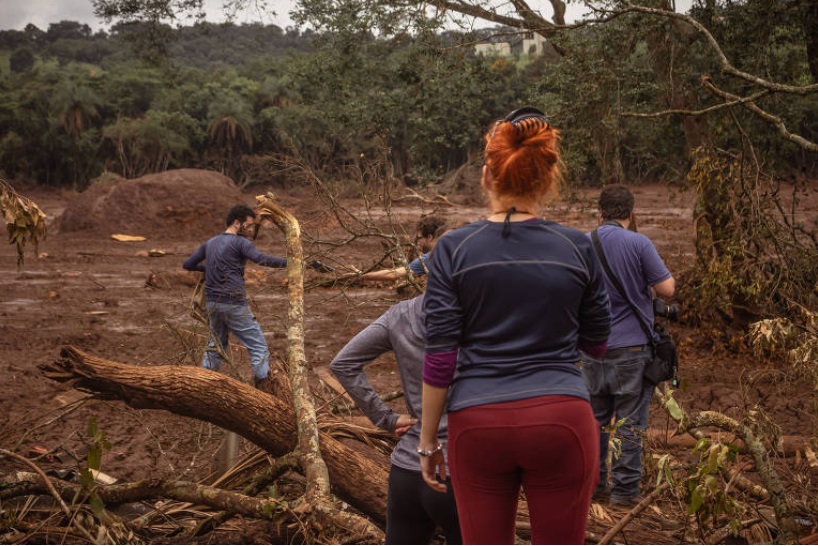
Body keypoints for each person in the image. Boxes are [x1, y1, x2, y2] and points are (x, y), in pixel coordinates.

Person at [418, 107, 611, 544]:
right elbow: (598, 345)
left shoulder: (452, 249)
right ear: (548, 179)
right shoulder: (577, 246)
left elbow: (441, 357)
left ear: (487, 175)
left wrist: (429, 442)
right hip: (561, 418)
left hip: (477, 422)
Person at [330, 295, 461, 544]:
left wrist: (385, 418)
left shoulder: (401, 314)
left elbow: (343, 363)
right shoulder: (483, 318)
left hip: (407, 472)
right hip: (457, 471)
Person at [580, 184, 676, 506]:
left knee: (595, 422)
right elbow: (667, 289)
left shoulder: (583, 243)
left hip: (593, 350)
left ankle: (594, 487)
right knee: (630, 426)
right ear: (631, 214)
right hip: (633, 351)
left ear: (600, 213)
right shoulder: (639, 243)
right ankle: (624, 495)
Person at [183, 204, 288, 387]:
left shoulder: (210, 242)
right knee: (258, 347)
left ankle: (201, 385)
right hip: (234, 303)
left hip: (213, 303)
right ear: (237, 223)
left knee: (215, 346)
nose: (249, 230)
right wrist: (291, 262)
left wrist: (207, 268)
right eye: (248, 225)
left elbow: (188, 264)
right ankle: (263, 390)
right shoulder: (241, 243)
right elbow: (261, 259)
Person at [359, 215, 447, 283]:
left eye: (419, 238)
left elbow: (392, 274)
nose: (417, 243)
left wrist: (362, 276)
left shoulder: (431, 258)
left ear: (429, 237)